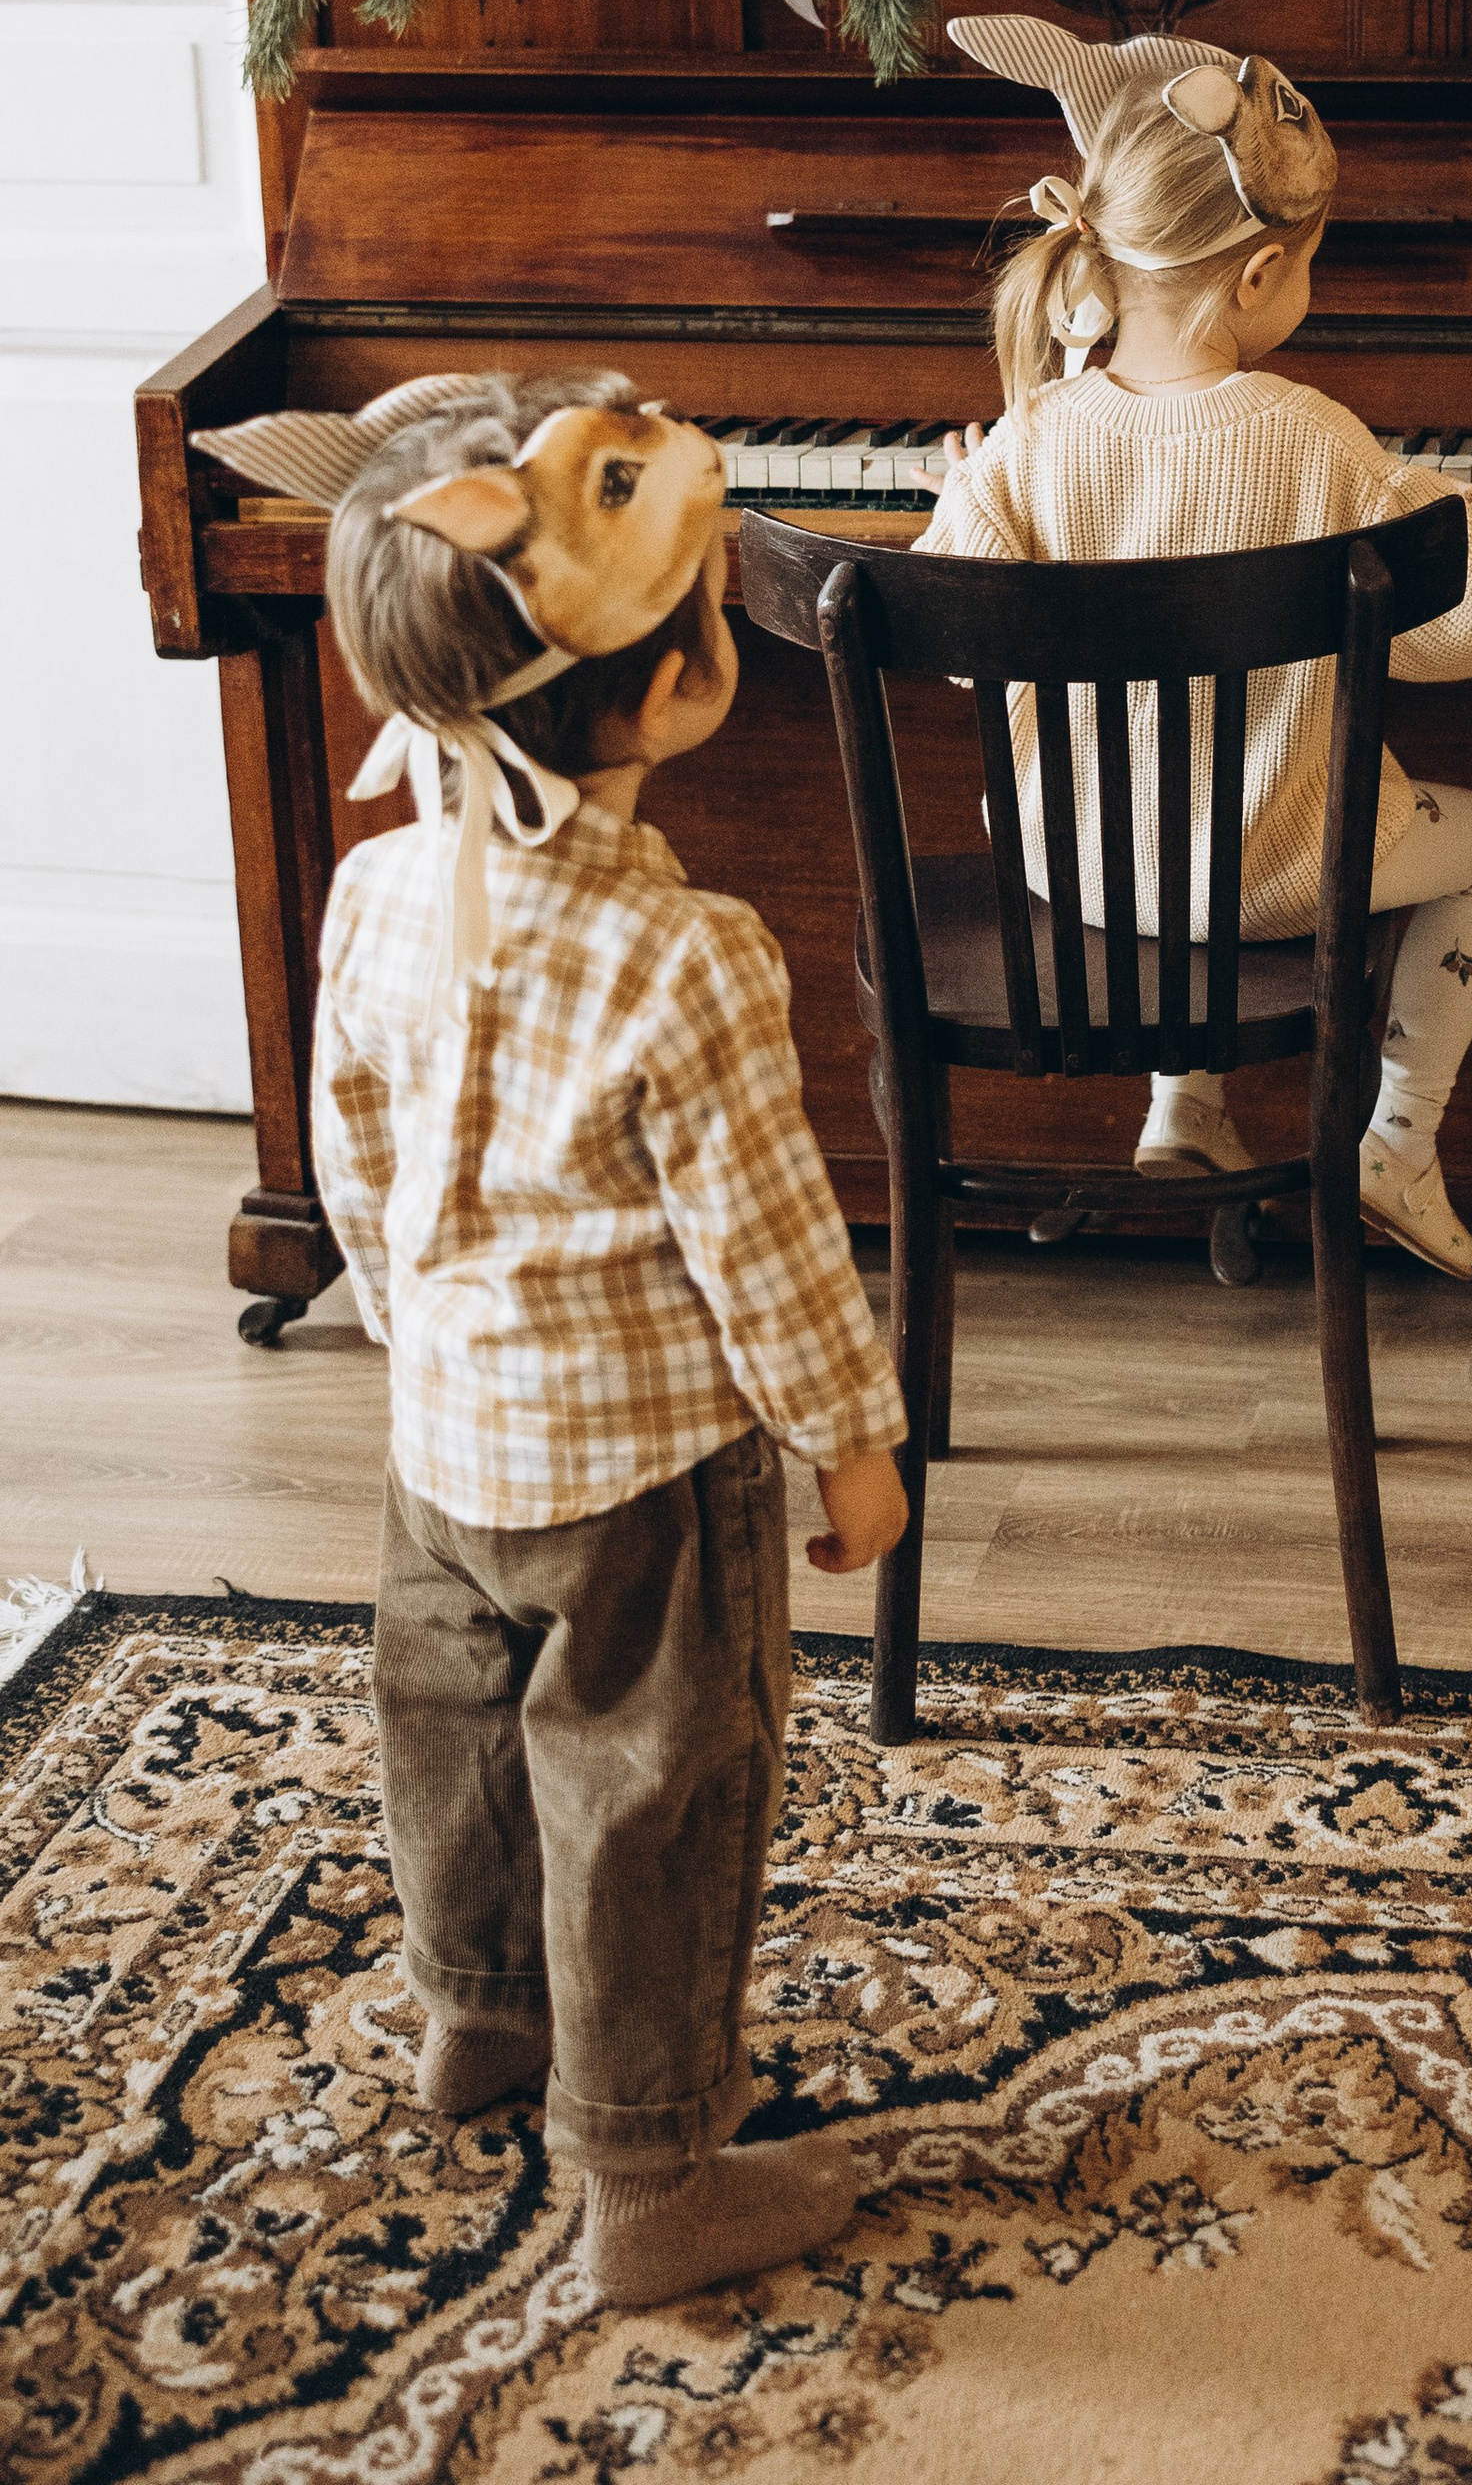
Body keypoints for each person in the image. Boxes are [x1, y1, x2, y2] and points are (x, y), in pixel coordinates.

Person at [294, 374, 909, 2311]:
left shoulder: (372, 886)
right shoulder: (692, 955)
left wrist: (417, 1338)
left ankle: (480, 2018)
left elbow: (353, 1151)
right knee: (654, 1791)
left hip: (442, 1450)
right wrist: (851, 1439)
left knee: (457, 1736)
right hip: (643, 1481)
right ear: (675, 689)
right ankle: (648, 2181)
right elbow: (770, 1246)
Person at [919, 17, 1472, 1278]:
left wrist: (962, 490)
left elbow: (958, 631)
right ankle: (1398, 1140)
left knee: (1172, 773)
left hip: (1076, 867)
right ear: (1261, 276)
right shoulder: (1312, 440)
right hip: (1265, 879)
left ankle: (1186, 1108)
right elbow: (1465, 622)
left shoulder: (1035, 431)